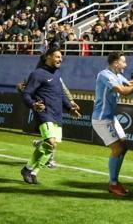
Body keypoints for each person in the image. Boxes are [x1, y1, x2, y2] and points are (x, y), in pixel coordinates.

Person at [91, 51, 133, 196]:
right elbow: (124, 90)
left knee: (123, 147)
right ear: (116, 62)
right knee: (117, 148)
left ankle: (115, 181)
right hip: (101, 119)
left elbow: (129, 83)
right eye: (123, 62)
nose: (125, 64)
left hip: (111, 118)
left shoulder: (117, 75)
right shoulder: (105, 75)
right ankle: (113, 184)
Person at [20, 47, 81, 184]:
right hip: (44, 113)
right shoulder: (37, 74)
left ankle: (34, 173)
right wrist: (33, 104)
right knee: (50, 142)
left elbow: (60, 95)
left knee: (51, 147)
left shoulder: (57, 75)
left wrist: (70, 108)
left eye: (61, 57)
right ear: (48, 57)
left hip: (57, 114)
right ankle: (27, 168)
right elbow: (26, 94)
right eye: (57, 57)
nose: (60, 59)